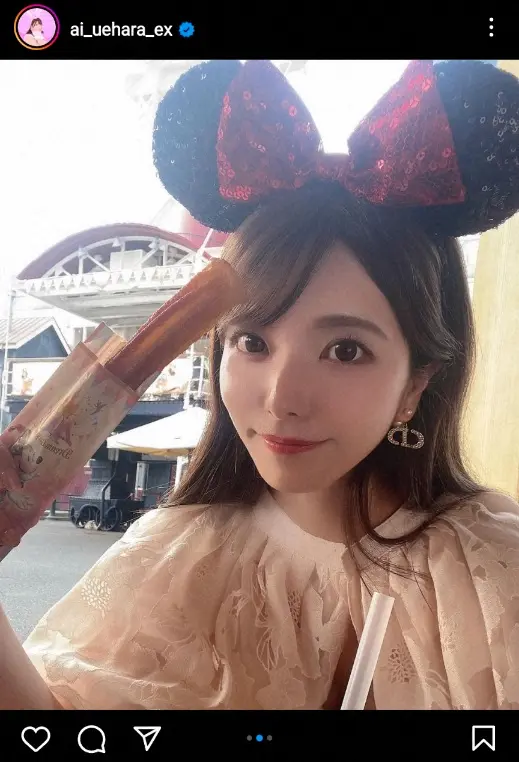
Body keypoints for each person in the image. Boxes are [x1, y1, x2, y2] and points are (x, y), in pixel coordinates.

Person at [1, 59, 519, 711]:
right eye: (252, 342)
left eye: (345, 350)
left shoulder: (492, 568)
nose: (280, 398)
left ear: (417, 383)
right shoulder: (177, 555)